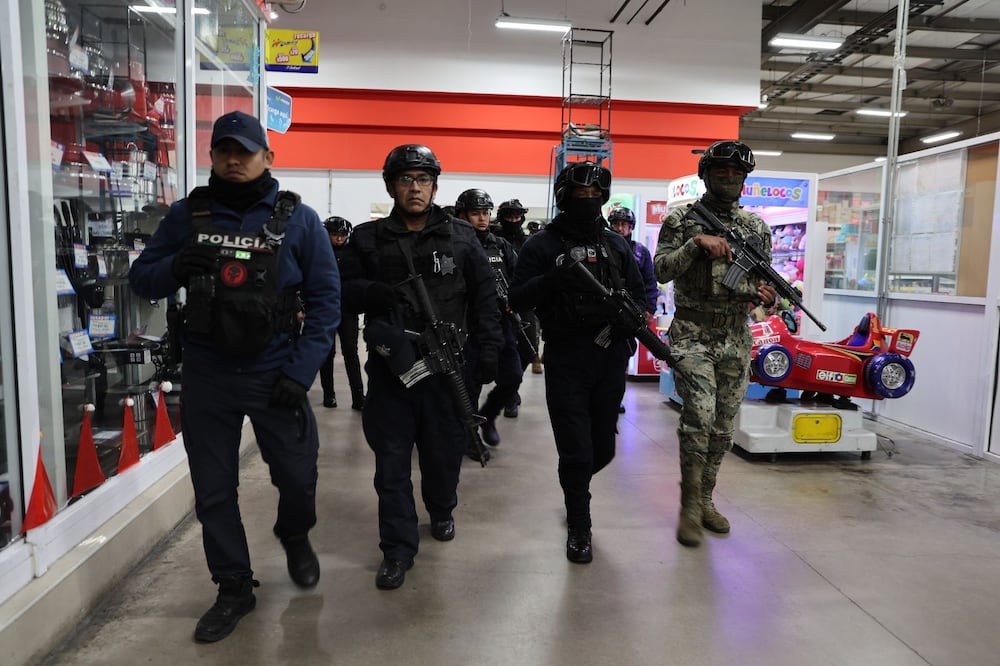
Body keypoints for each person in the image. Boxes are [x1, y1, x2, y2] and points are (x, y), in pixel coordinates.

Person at [129, 110, 339, 642]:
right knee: (214, 490)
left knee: (298, 477)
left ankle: (295, 533)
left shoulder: (300, 220)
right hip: (208, 374)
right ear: (213, 156)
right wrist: (178, 265)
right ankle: (233, 587)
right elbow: (142, 281)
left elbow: (325, 302)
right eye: (224, 150)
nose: (233, 159)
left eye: (245, 151)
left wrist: (302, 369)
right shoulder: (186, 216)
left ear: (268, 157)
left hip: (277, 372)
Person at [338, 144, 501, 590]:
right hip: (393, 374)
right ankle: (397, 548)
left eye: (423, 180)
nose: (415, 188)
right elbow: (340, 290)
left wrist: (490, 352)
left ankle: (442, 507)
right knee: (390, 464)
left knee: (443, 454)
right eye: (406, 179)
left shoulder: (462, 238)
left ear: (434, 186)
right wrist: (372, 292)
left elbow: (486, 300)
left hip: (449, 370)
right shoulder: (368, 240)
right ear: (391, 185)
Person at [509, 161, 645, 564]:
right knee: (577, 451)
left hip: (610, 356)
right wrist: (553, 279)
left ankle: (576, 484)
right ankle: (579, 526)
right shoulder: (542, 245)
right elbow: (517, 299)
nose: (587, 203)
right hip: (566, 356)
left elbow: (639, 293)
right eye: (579, 197)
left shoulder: (616, 245)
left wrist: (631, 320)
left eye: (594, 197)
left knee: (603, 449)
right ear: (563, 198)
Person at [652, 140, 776, 548]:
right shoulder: (682, 220)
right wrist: (695, 244)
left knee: (723, 428)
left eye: (736, 174)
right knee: (699, 418)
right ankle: (689, 506)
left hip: (736, 336)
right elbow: (661, 271)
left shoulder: (756, 227)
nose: (729, 178)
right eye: (721, 172)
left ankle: (706, 497)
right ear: (706, 174)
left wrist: (765, 294)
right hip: (692, 332)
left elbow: (763, 279)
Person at [454, 188, 521, 451]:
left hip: (501, 323)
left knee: (512, 377)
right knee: (470, 385)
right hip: (467, 326)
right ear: (462, 214)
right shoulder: (454, 245)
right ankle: (470, 438)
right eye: (475, 213)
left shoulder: (500, 245)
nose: (482, 218)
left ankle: (488, 416)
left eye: (485, 213)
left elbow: (518, 279)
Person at [608, 206, 659, 413]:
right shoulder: (602, 246)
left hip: (630, 314)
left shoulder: (640, 252)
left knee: (623, 357)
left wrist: (649, 310)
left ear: (631, 227)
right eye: (616, 224)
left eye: (624, 225)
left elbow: (650, 283)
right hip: (604, 312)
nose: (620, 229)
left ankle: (615, 399)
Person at [495, 198, 539, 409]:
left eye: (517, 216)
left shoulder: (530, 242)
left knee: (529, 350)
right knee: (497, 352)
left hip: (524, 301)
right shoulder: (492, 239)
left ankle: (510, 388)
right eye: (509, 216)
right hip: (494, 304)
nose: (513, 219)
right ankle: (508, 392)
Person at [318, 216, 365, 410]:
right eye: (335, 235)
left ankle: (358, 397)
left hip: (348, 310)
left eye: (342, 235)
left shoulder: (353, 254)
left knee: (351, 353)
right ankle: (329, 395)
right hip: (326, 310)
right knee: (327, 355)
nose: (339, 238)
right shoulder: (319, 253)